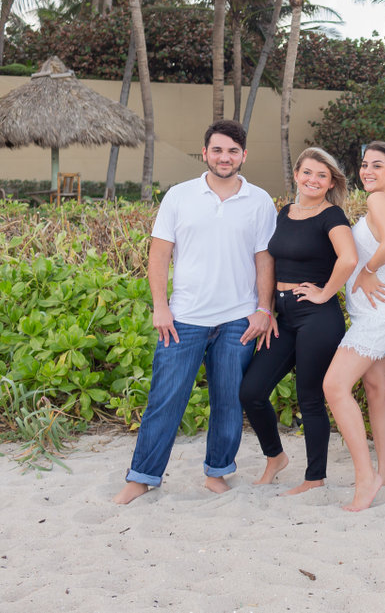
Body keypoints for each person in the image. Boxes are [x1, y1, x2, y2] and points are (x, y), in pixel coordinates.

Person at [114, 120, 276, 505]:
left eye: (232, 151)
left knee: (228, 402)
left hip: (238, 319)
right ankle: (142, 477)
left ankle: (218, 472)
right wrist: (161, 306)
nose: (224, 157)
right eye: (217, 150)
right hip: (183, 318)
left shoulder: (259, 201)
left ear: (243, 155)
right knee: (165, 399)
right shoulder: (179, 196)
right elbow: (159, 254)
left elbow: (264, 259)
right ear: (205, 153)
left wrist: (263, 308)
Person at [239, 147, 355, 495]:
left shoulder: (332, 216)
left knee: (309, 397)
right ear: (296, 175)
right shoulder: (284, 213)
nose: (313, 180)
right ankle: (275, 457)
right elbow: (271, 261)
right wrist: (269, 308)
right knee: (251, 392)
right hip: (284, 316)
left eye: (322, 175)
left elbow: (349, 259)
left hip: (317, 317)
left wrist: (325, 292)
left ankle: (315, 476)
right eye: (307, 172)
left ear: (331, 182)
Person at [322, 142, 385, 511]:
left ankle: (367, 478)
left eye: (377, 165)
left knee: (334, 386)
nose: (367, 171)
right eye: (364, 165)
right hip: (379, 309)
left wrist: (367, 270)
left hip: (380, 311)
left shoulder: (379, 200)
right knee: (377, 390)